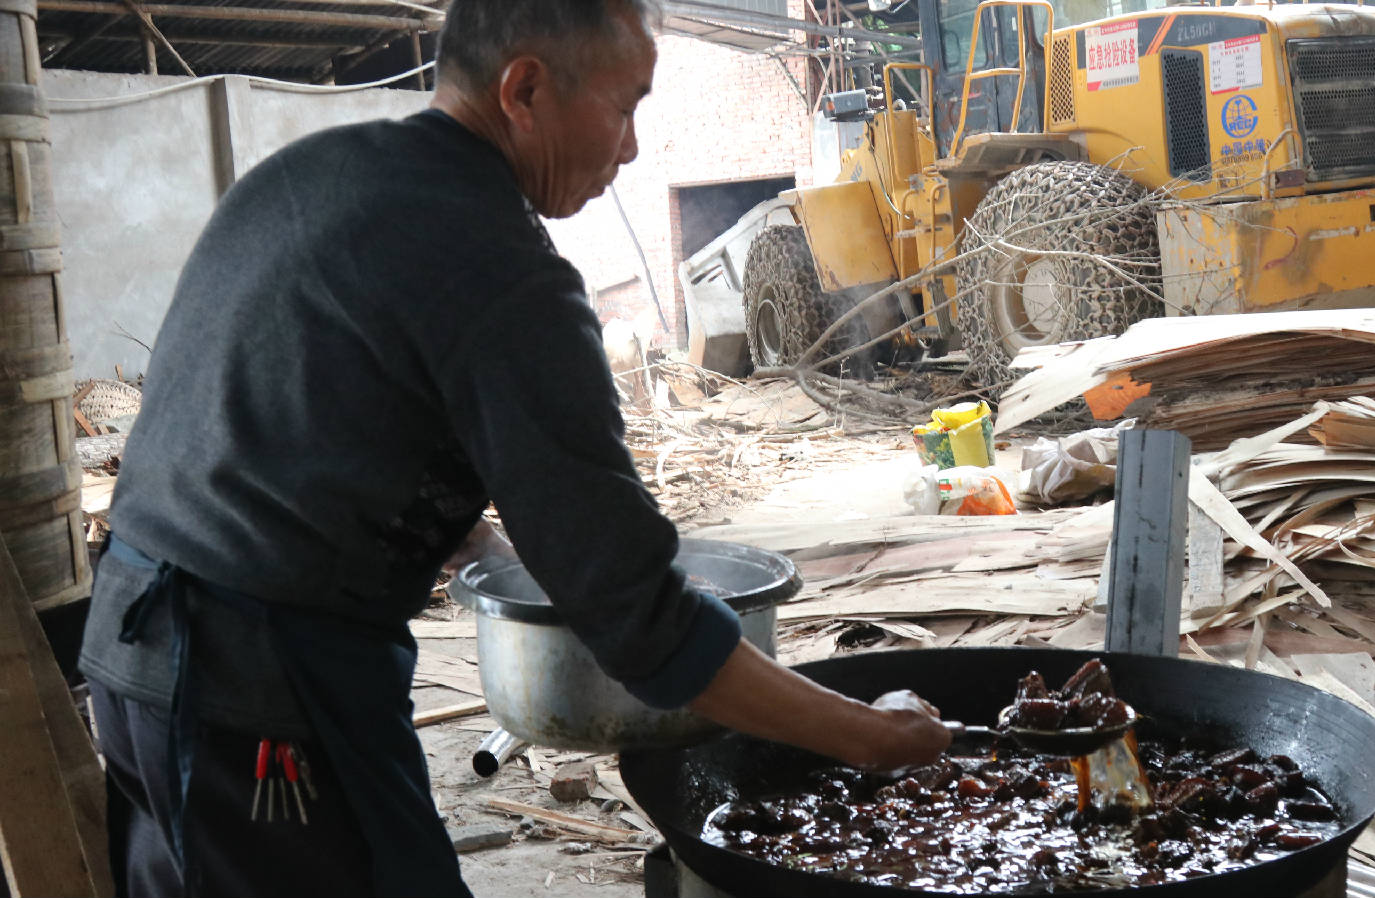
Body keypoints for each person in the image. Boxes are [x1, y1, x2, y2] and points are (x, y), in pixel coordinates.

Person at [76, 1, 951, 895]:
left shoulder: (317, 173)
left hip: (132, 649)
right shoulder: (507, 277)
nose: (632, 148)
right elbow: (644, 625)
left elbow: (310, 413)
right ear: (525, 88)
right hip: (258, 693)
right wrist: (870, 737)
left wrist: (469, 537)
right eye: (625, 105)